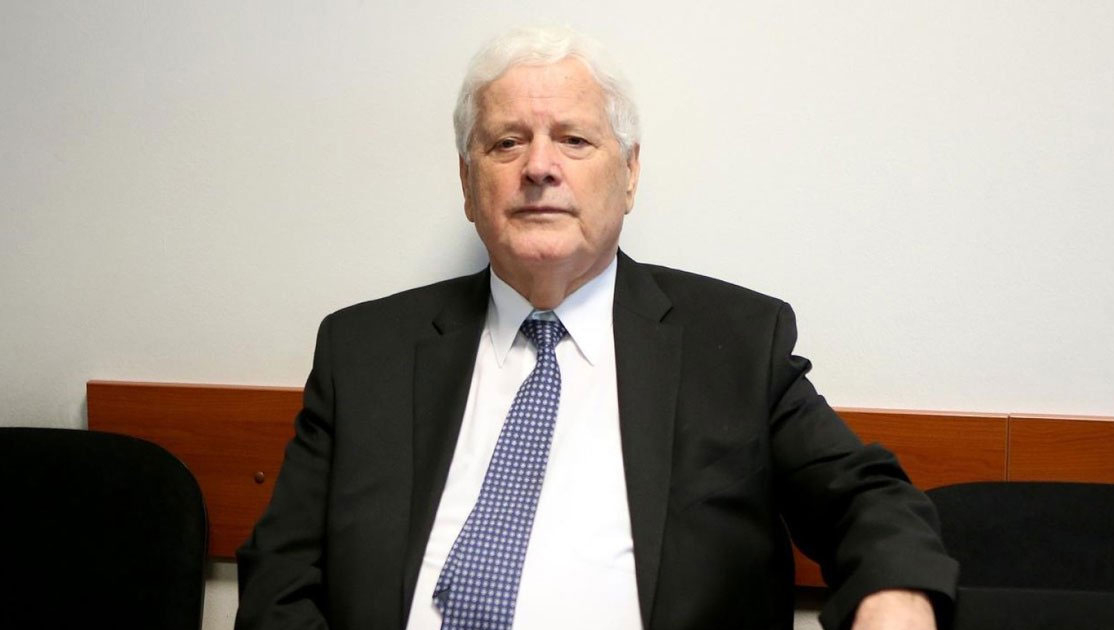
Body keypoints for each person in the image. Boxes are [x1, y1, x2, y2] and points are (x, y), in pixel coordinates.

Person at [235, 25, 958, 630]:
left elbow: (864, 496)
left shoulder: (736, 342)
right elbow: (279, 580)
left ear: (630, 174)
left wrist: (895, 595)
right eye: (507, 143)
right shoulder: (364, 353)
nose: (539, 167)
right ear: (467, 183)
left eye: (574, 140)